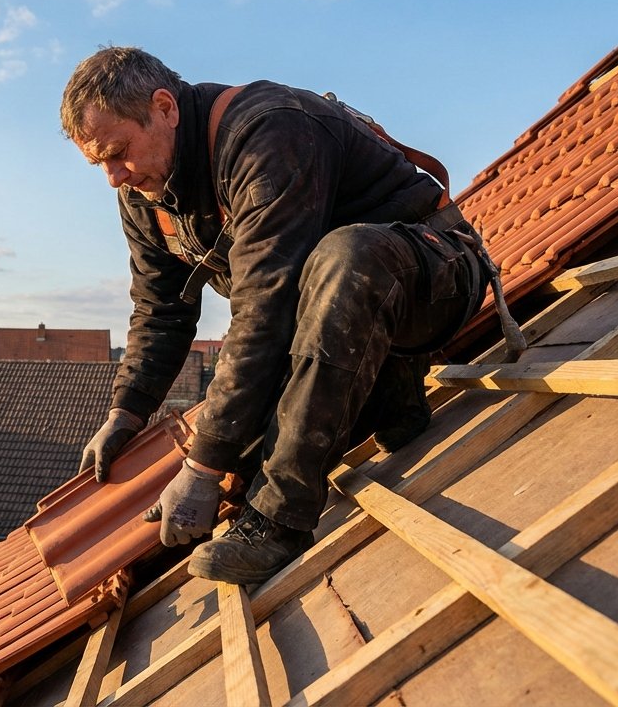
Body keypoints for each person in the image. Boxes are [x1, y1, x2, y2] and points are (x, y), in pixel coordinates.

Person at [62, 46, 489, 585]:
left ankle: (281, 520)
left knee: (345, 258)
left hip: (435, 279)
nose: (113, 177)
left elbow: (266, 302)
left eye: (118, 152)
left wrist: (201, 464)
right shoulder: (145, 193)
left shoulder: (266, 132)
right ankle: (390, 396)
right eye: (97, 162)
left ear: (165, 107)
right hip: (344, 323)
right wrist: (126, 411)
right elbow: (160, 309)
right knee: (242, 453)